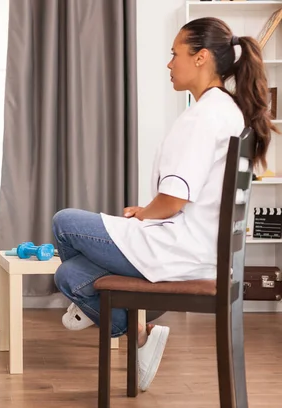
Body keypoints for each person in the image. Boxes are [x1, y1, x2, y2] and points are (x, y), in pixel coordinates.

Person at [53, 17, 275, 391]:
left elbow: (172, 199)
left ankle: (134, 326)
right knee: (68, 276)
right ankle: (140, 329)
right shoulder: (229, 111)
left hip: (181, 250)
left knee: (65, 223)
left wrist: (143, 213)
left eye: (175, 54)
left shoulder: (204, 116)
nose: (169, 63)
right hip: (202, 249)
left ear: (201, 57)